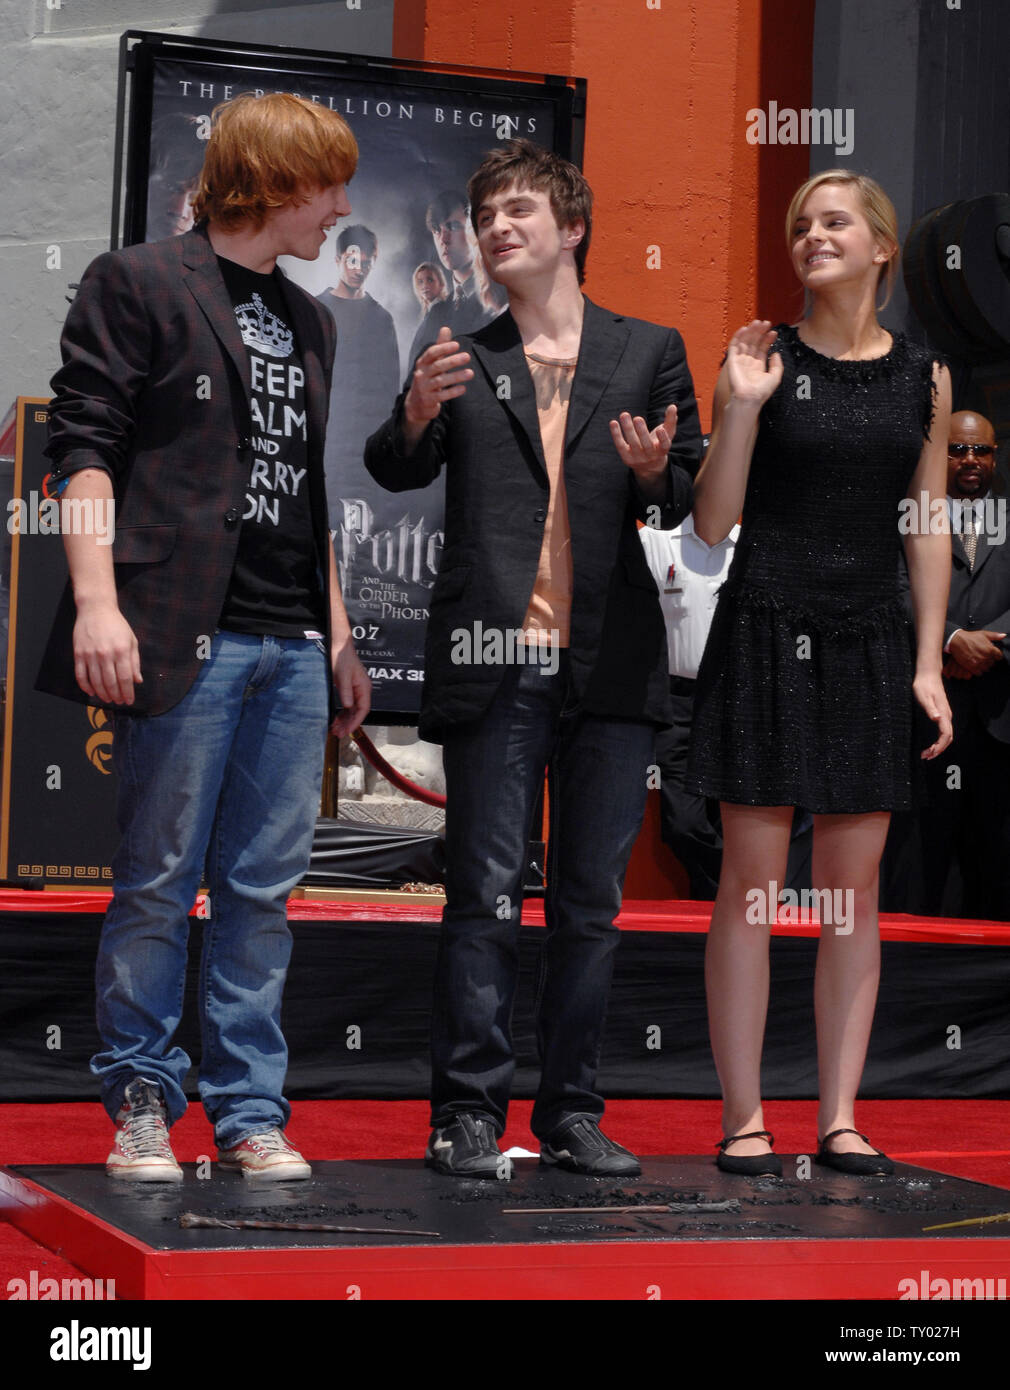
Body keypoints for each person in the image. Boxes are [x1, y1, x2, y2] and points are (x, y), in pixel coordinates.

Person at [37, 93, 371, 1183]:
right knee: (154, 878)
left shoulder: (313, 319)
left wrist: (336, 633)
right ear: (275, 179)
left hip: (289, 642)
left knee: (262, 890)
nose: (338, 208)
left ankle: (247, 1114)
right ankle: (141, 1099)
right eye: (328, 184)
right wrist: (97, 601)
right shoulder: (137, 280)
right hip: (183, 629)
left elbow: (303, 490)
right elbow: (81, 452)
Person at [366, 138, 701, 1179]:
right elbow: (390, 462)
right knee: (481, 894)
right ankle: (467, 1110)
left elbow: (686, 499)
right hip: (492, 658)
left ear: (571, 228)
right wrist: (416, 407)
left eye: (518, 210)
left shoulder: (648, 348)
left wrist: (655, 476)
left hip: (609, 665)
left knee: (589, 907)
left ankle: (569, 1110)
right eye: (486, 216)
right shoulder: (460, 351)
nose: (497, 227)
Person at [686, 169, 952, 1177]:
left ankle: (837, 1115)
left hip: (870, 640)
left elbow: (923, 526)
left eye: (832, 221)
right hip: (763, 624)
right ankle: (744, 1117)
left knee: (852, 892)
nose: (810, 236)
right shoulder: (758, 357)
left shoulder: (923, 378)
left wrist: (927, 663)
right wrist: (742, 408)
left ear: (880, 246)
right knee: (749, 890)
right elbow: (710, 524)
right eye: (800, 224)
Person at [638, 516, 813, 899]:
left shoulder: (755, 546)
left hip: (742, 696)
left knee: (738, 816)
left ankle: (722, 913)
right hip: (676, 700)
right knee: (682, 822)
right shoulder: (653, 540)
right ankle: (744, 888)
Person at [884, 411, 1010, 919]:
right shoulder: (906, 518)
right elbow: (892, 592)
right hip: (926, 719)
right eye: (957, 450)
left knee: (997, 864)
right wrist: (952, 639)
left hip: (1001, 716)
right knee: (920, 863)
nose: (971, 461)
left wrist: (991, 648)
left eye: (981, 451)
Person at [317, 224, 401, 523]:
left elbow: (391, 390)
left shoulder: (382, 319)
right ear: (339, 258)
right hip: (324, 448)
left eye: (367, 261)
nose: (359, 268)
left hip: (368, 453)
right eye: (353, 259)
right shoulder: (315, 310)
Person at [406, 190, 493, 369]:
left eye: (453, 227)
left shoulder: (499, 302)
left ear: (475, 231)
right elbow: (413, 381)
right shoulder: (436, 315)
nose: (443, 239)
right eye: (437, 230)